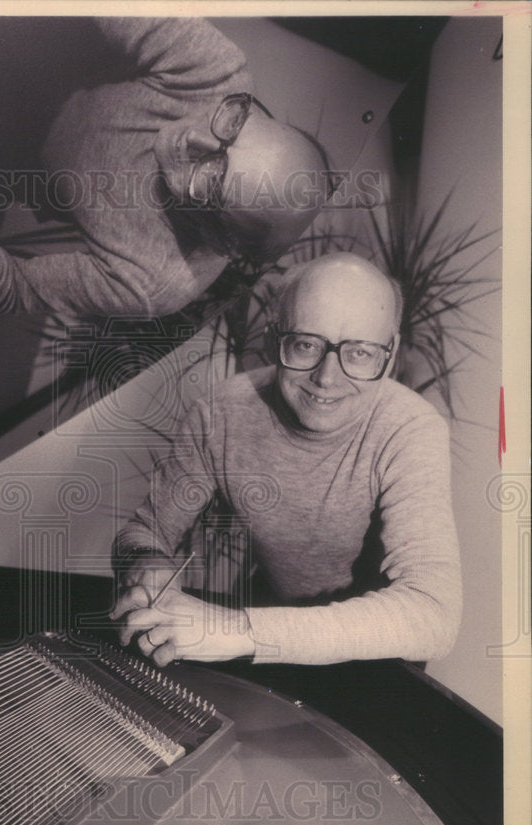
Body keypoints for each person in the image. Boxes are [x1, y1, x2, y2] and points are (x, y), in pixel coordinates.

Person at [110, 252, 462, 669]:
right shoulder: (220, 413)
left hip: (376, 653)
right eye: (306, 344)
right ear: (271, 339)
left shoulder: (412, 428)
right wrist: (146, 559)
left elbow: (434, 615)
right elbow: (145, 530)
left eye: (360, 353)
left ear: (391, 351)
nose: (328, 378)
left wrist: (238, 629)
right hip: (267, 628)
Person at [0, 16, 331, 317]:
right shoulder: (219, 75)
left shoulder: (159, 280)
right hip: (21, 33)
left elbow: (15, 290)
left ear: (218, 237)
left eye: (212, 177)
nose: (195, 137)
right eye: (234, 124)